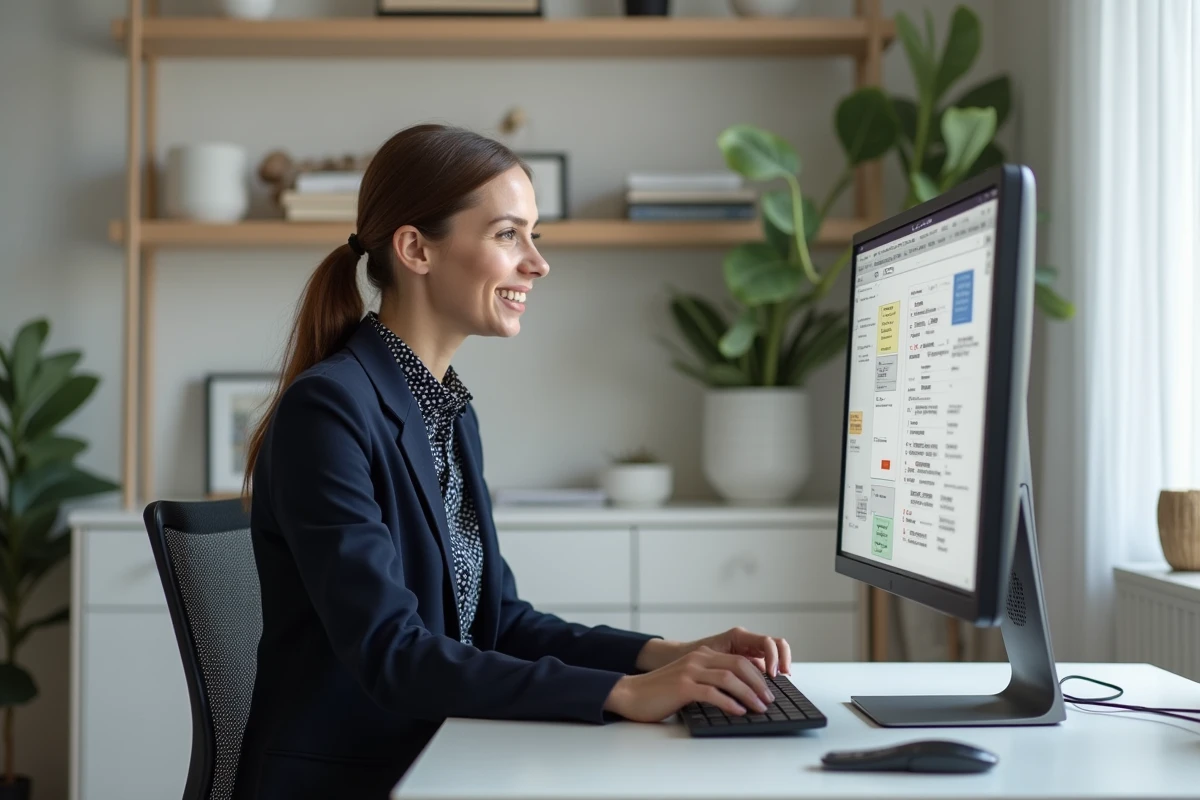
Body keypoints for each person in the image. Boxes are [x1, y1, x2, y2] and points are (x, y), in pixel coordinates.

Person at [233, 123, 794, 800]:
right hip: (360, 778)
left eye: (534, 236)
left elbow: (498, 622)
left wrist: (667, 657)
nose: (536, 262)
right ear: (415, 248)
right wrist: (623, 693)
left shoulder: (447, 411)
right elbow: (394, 654)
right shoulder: (328, 412)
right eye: (508, 235)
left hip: (443, 752)